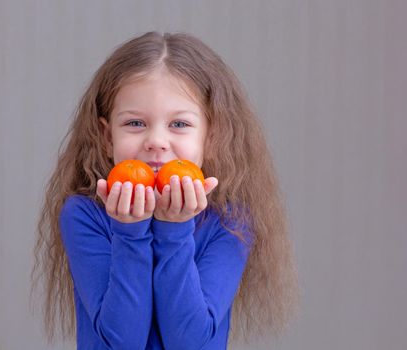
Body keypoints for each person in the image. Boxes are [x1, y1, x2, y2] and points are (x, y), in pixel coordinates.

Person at [32, 31, 299, 349]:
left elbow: (189, 342)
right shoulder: (84, 214)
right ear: (107, 137)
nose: (156, 141)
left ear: (211, 136)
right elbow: (122, 341)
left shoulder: (231, 221)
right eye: (135, 123)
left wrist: (174, 230)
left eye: (179, 124)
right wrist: (129, 231)